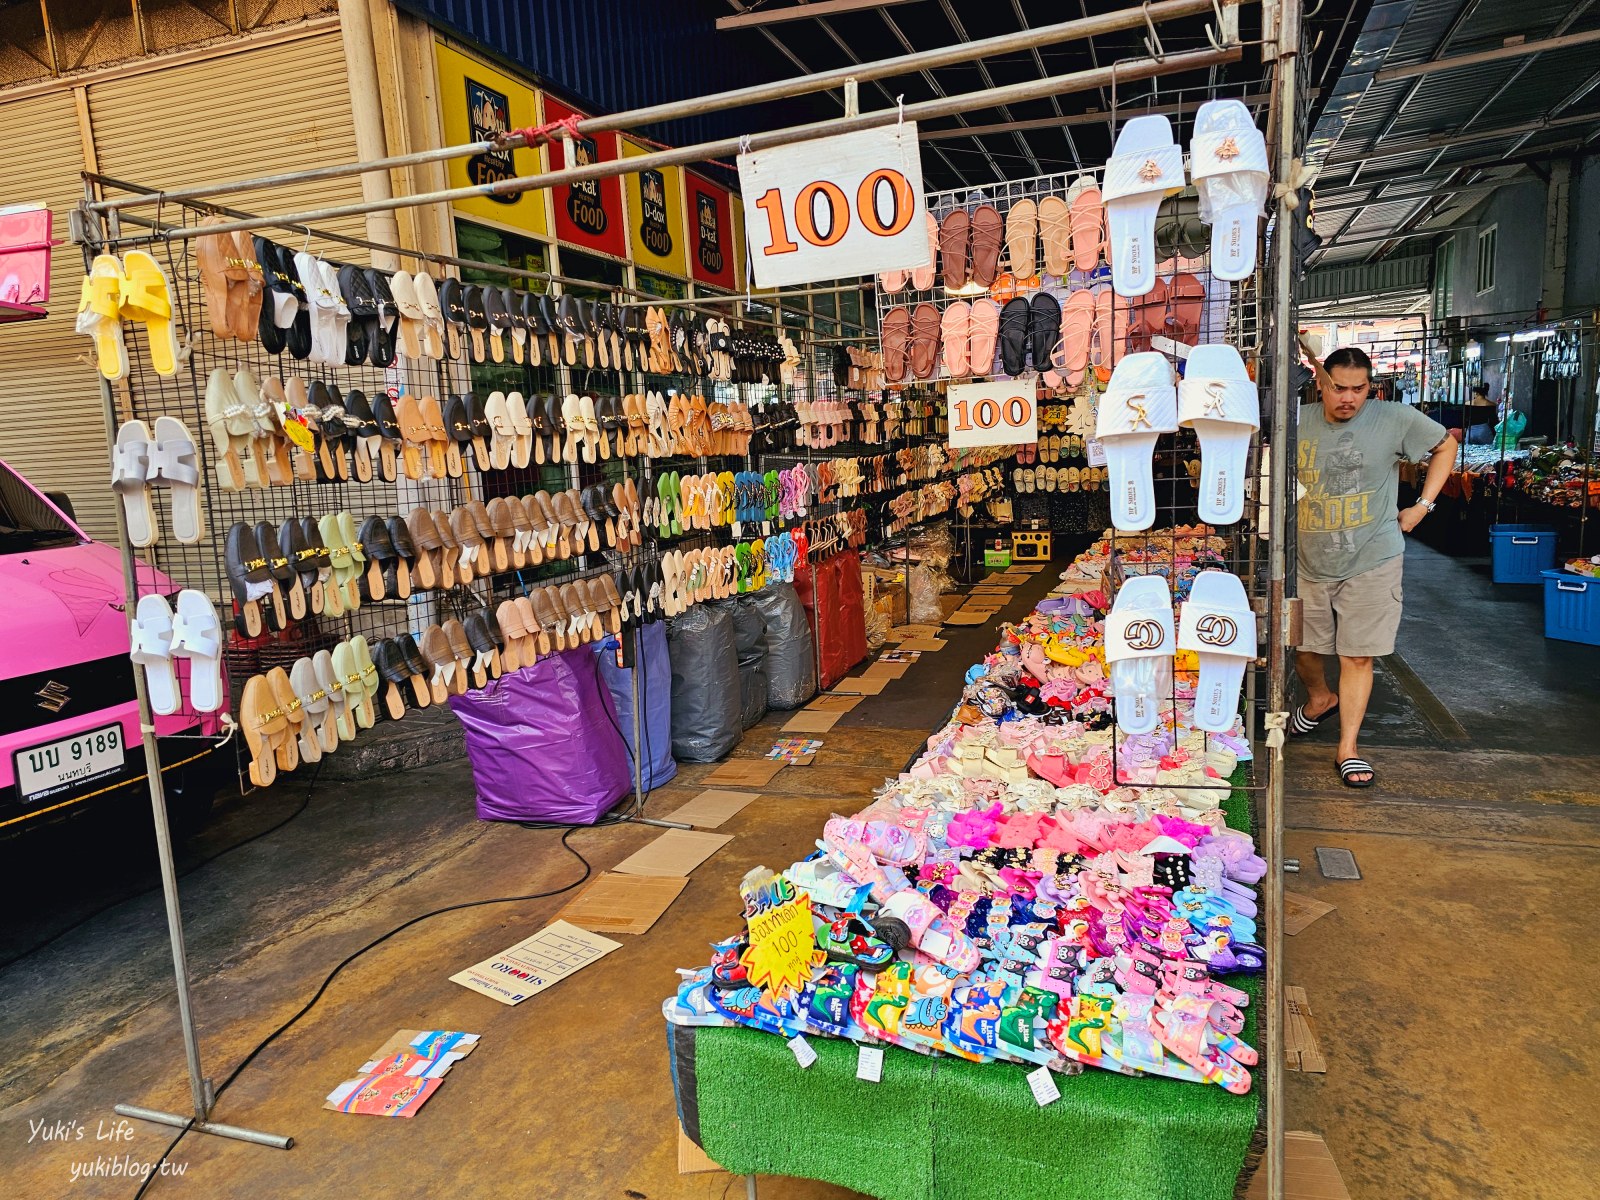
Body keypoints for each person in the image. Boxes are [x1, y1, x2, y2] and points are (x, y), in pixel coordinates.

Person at [1290, 345, 1458, 788]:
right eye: (1338, 388)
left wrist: (1421, 506)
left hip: (1372, 556)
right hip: (1308, 560)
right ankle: (1320, 698)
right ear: (1320, 384)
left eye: (1358, 389)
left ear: (1370, 387)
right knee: (1303, 649)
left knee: (1357, 654)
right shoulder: (1296, 422)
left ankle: (1347, 748)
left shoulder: (1395, 418)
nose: (1348, 398)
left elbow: (1446, 446)